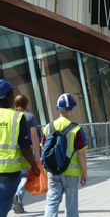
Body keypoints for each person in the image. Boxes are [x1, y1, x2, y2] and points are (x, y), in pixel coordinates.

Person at [43, 93, 88, 217]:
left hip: (53, 170)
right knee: (71, 204)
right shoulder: (76, 129)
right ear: (71, 109)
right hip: (71, 172)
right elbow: (81, 153)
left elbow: (44, 148)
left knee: (52, 201)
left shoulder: (48, 127)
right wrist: (85, 172)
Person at [0, 80, 40, 217]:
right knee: (3, 205)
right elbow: (24, 146)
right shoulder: (17, 117)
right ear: (9, 96)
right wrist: (34, 165)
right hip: (9, 172)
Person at [12, 94, 41, 214]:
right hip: (26, 149)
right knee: (26, 176)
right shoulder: (29, 116)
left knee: (17, 177)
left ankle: (19, 204)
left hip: (13, 151)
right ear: (26, 103)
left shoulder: (12, 115)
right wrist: (37, 153)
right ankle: (18, 195)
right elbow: (34, 135)